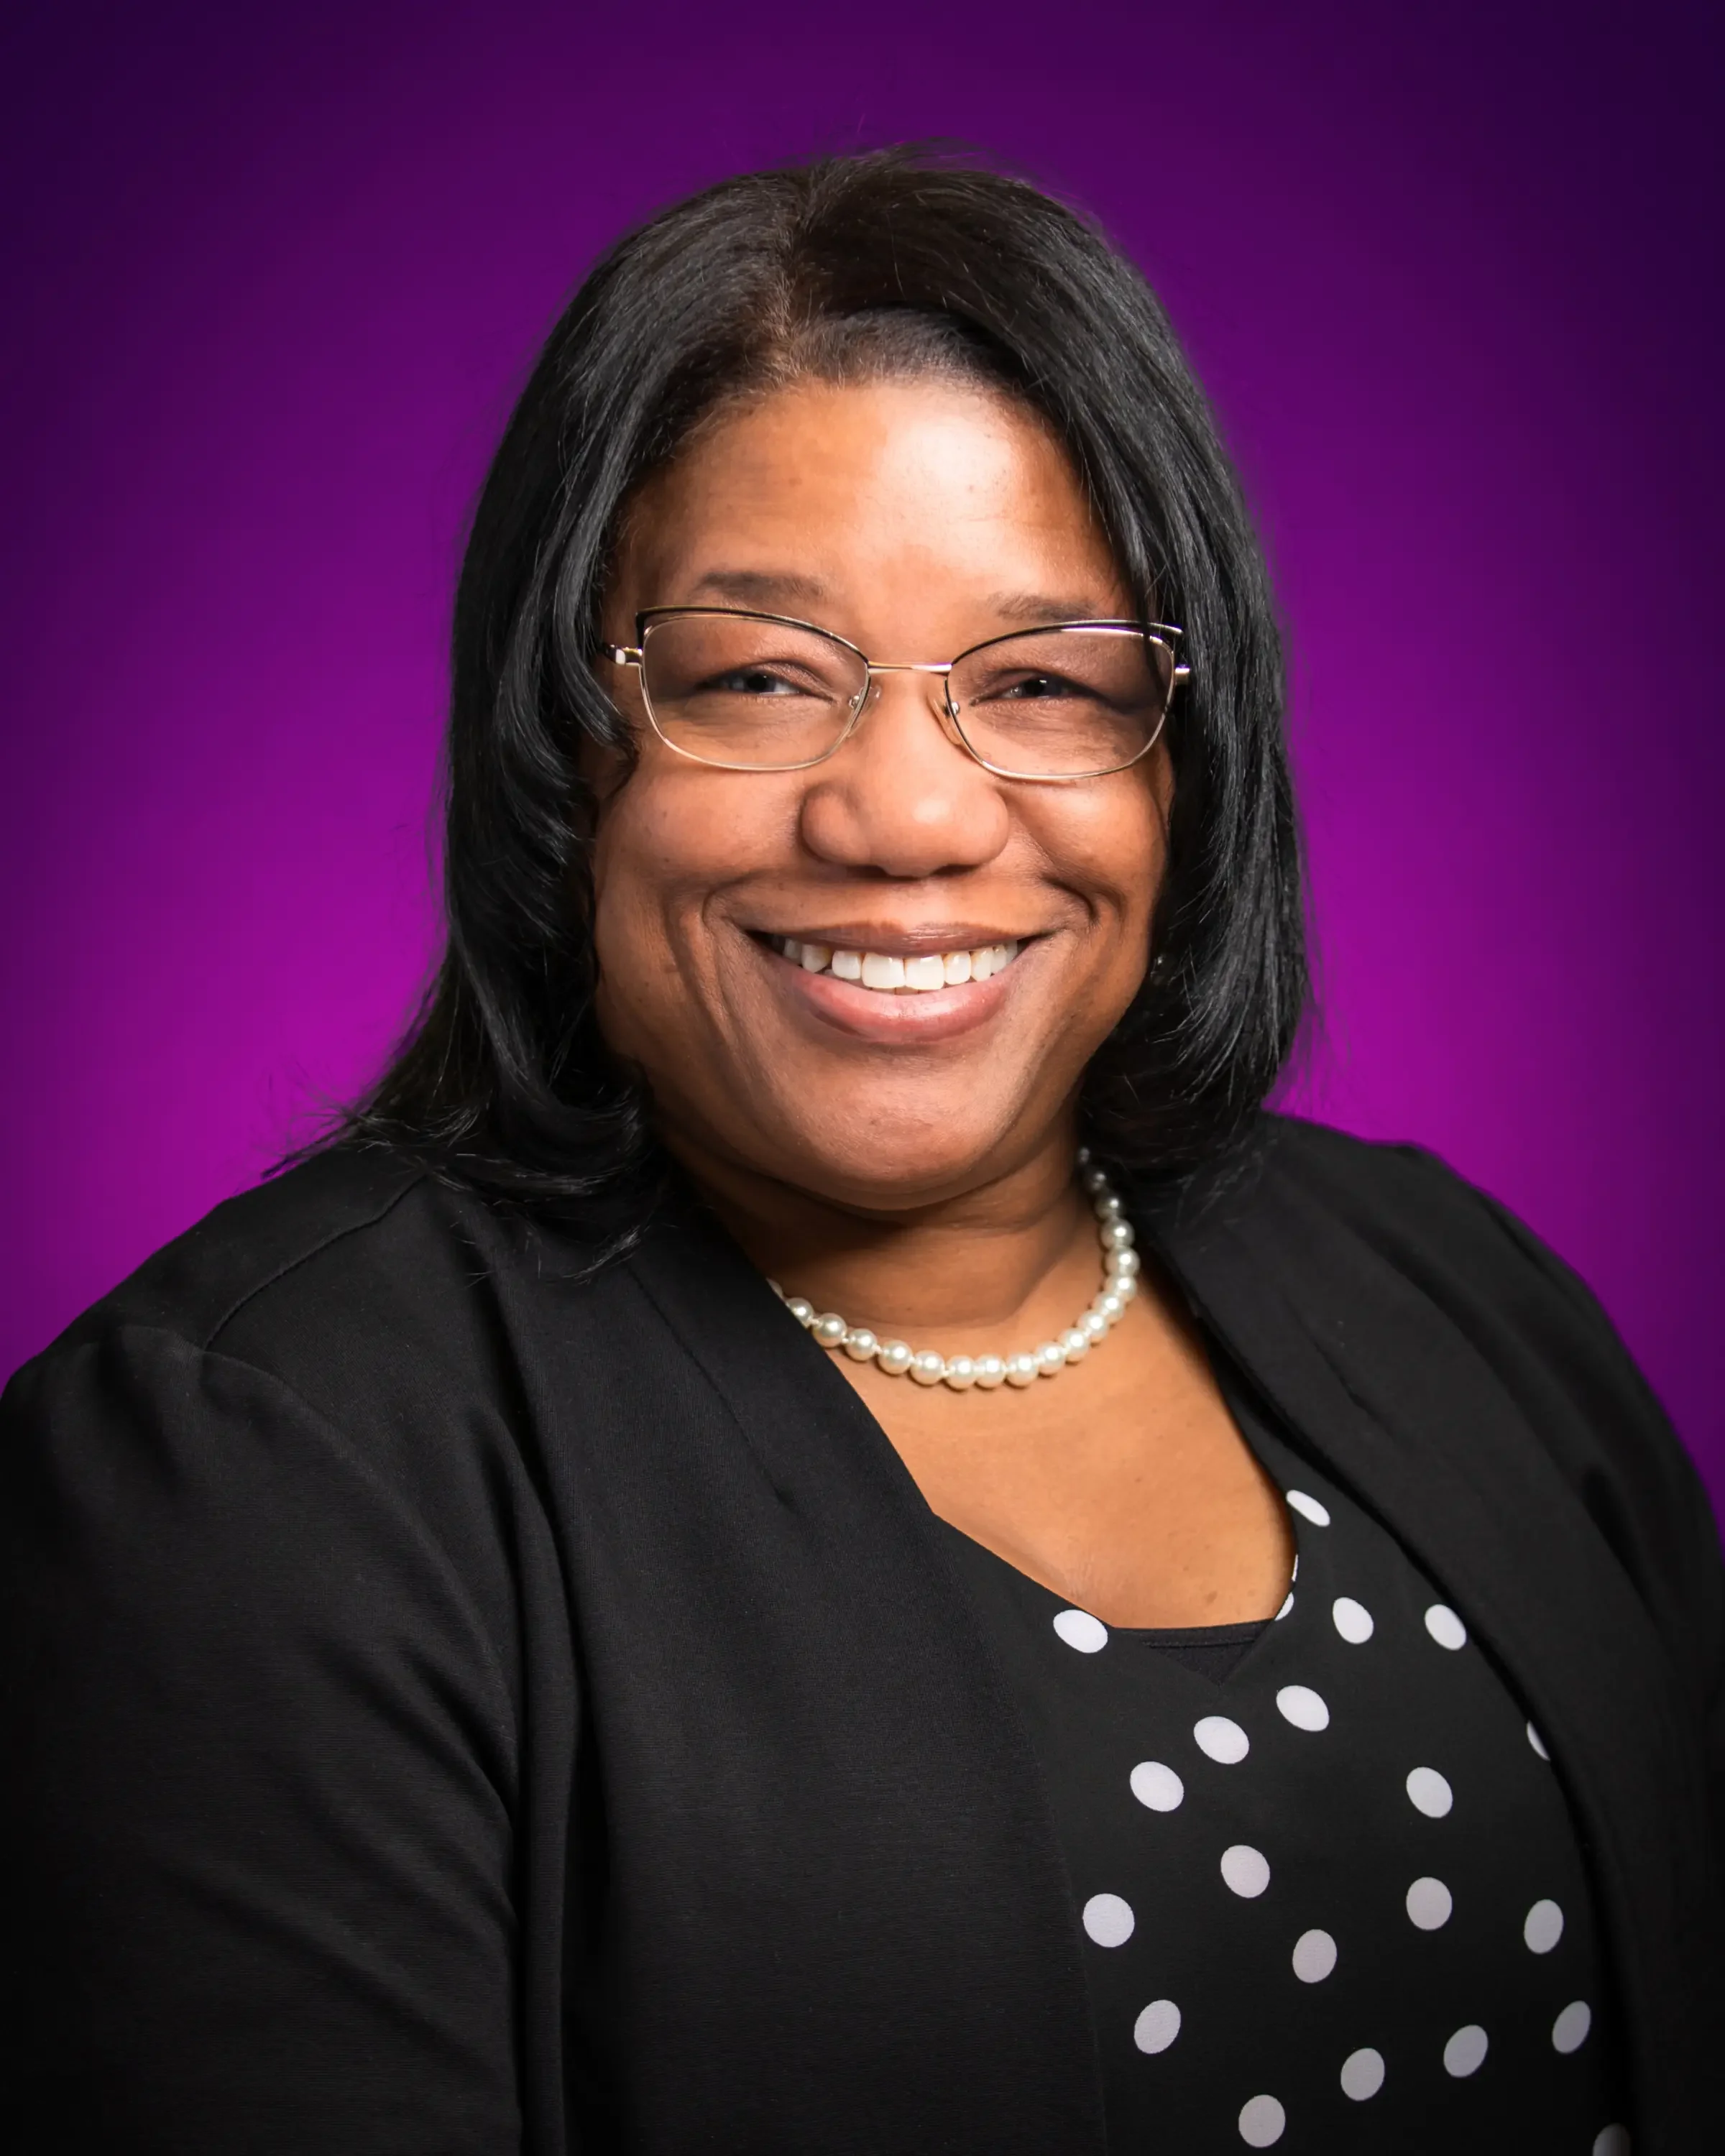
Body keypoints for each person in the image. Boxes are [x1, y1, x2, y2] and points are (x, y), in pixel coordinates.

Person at [1, 147, 1718, 2156]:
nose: (905, 816)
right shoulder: (240, 1471)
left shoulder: (1453, 1290)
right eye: (752, 677)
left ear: (1187, 760)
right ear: (566, 744)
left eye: (1043, 684)